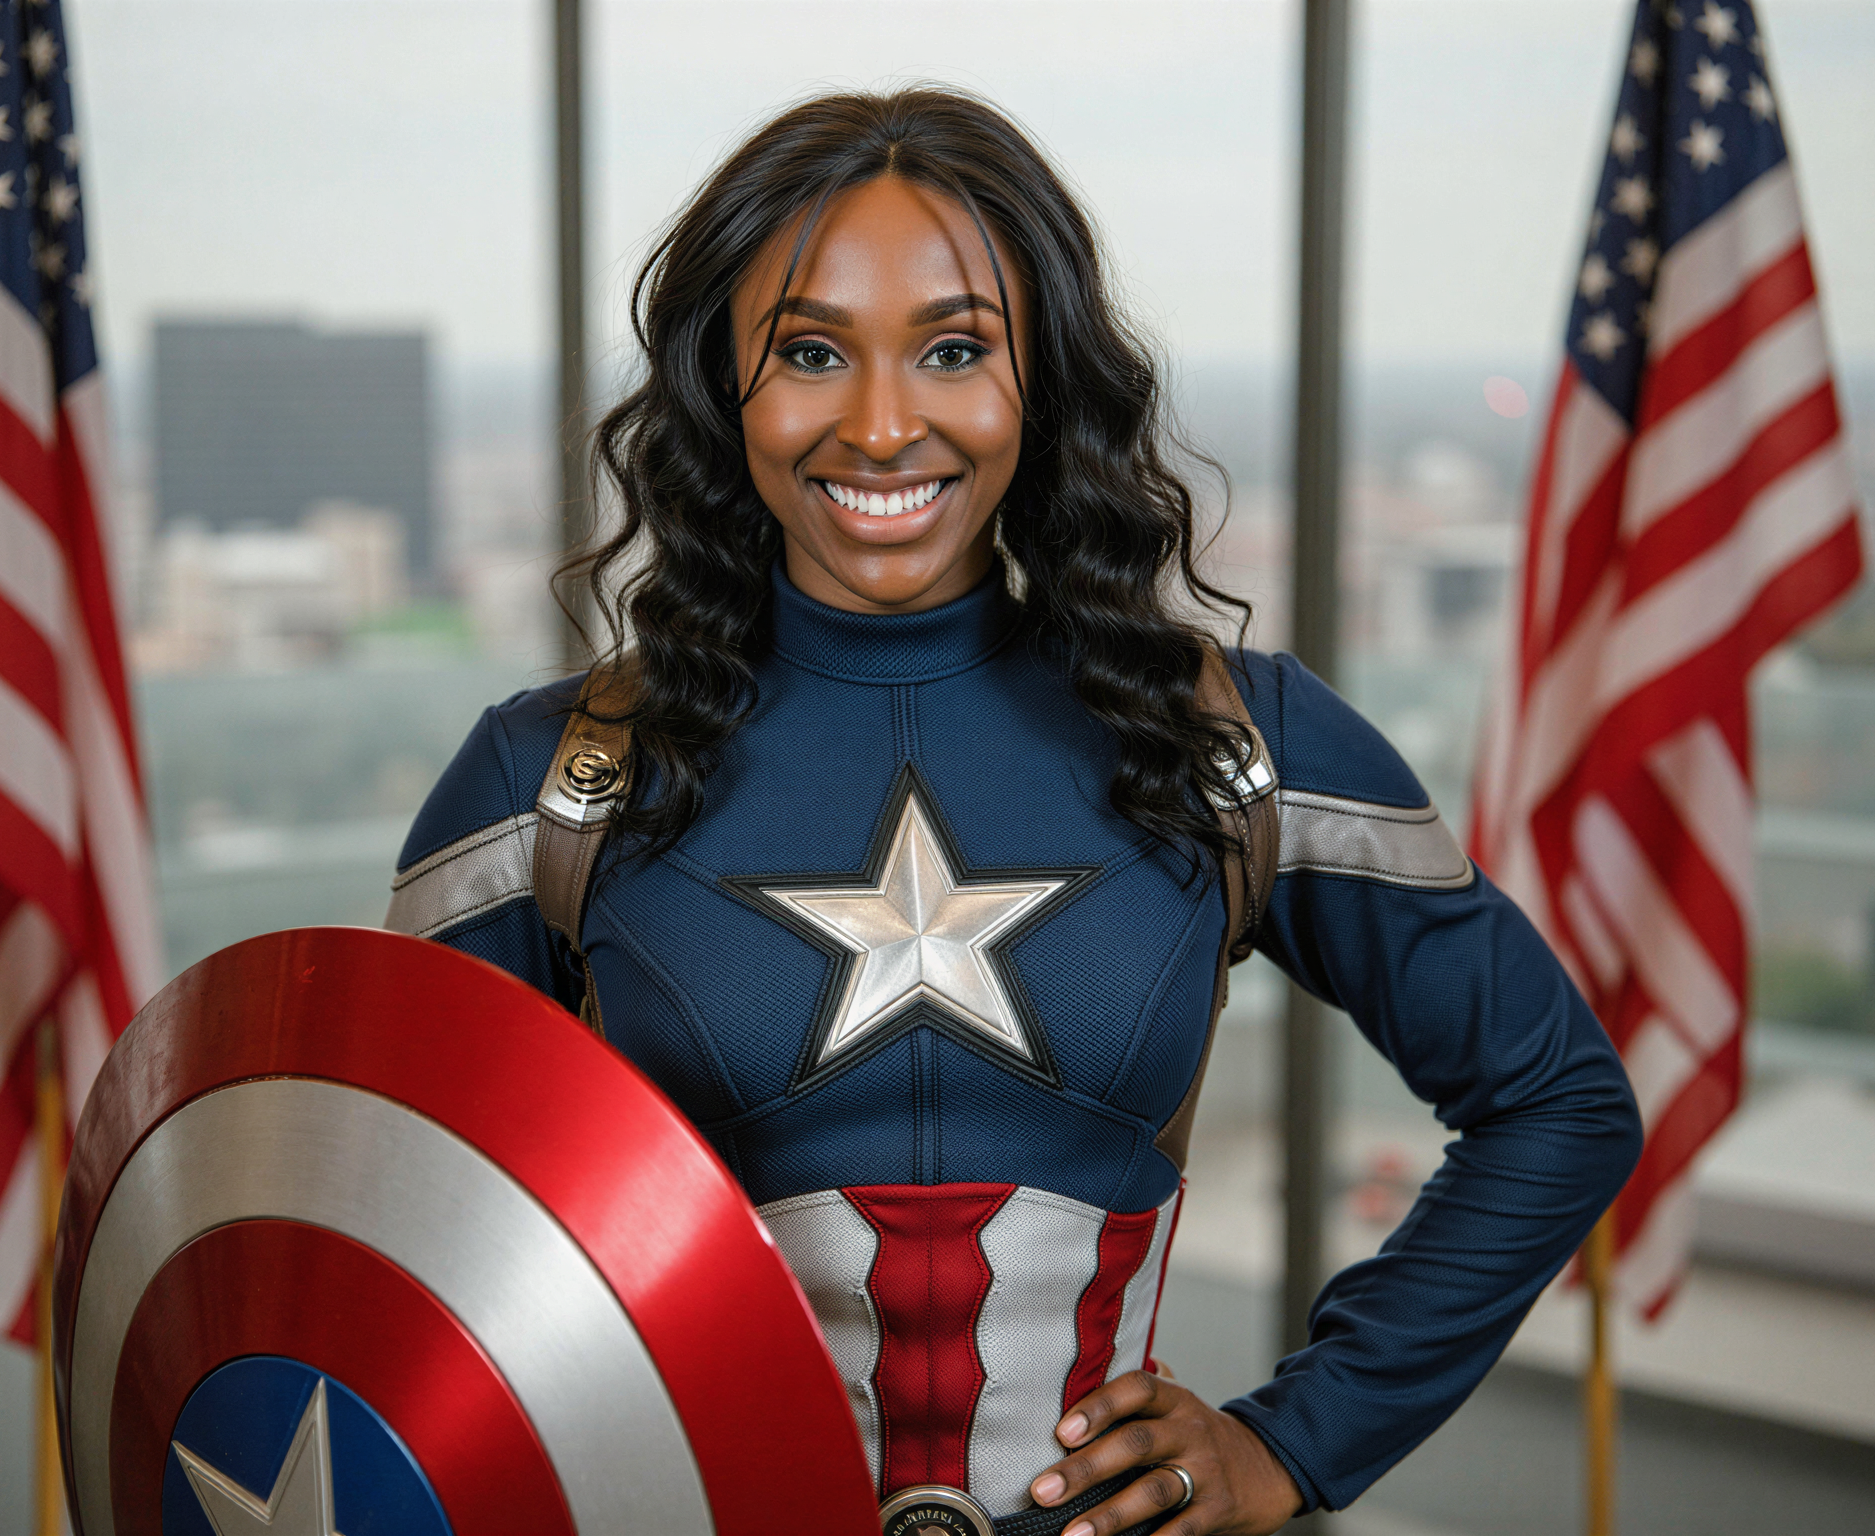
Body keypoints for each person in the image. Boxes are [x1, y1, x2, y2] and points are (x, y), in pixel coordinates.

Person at [388, 88, 1641, 1536]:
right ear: (721, 386)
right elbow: (390, 1234)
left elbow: (1559, 1103)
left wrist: (1293, 1445)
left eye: (955, 350)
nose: (881, 427)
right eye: (808, 352)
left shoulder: (1232, 742)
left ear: (1041, 381)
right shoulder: (549, 785)